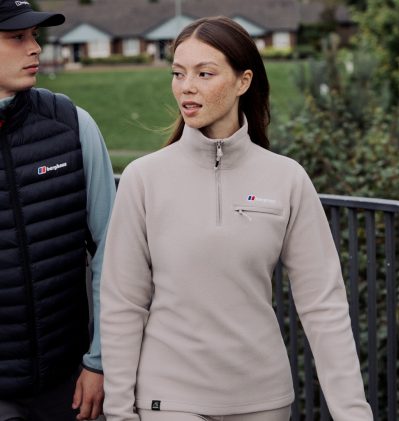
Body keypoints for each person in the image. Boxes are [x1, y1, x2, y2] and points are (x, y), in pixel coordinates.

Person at [100, 16, 373, 421]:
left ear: (243, 81)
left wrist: (353, 414)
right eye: (178, 73)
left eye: (204, 73)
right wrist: (120, 412)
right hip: (168, 398)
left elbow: (323, 306)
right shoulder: (144, 178)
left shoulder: (287, 178)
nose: (186, 86)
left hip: (263, 400)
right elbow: (123, 304)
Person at [0, 1, 115, 420]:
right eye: (17, 37)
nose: (35, 48)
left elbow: (112, 251)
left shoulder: (72, 124)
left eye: (33, 36)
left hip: (67, 383)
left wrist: (98, 361)